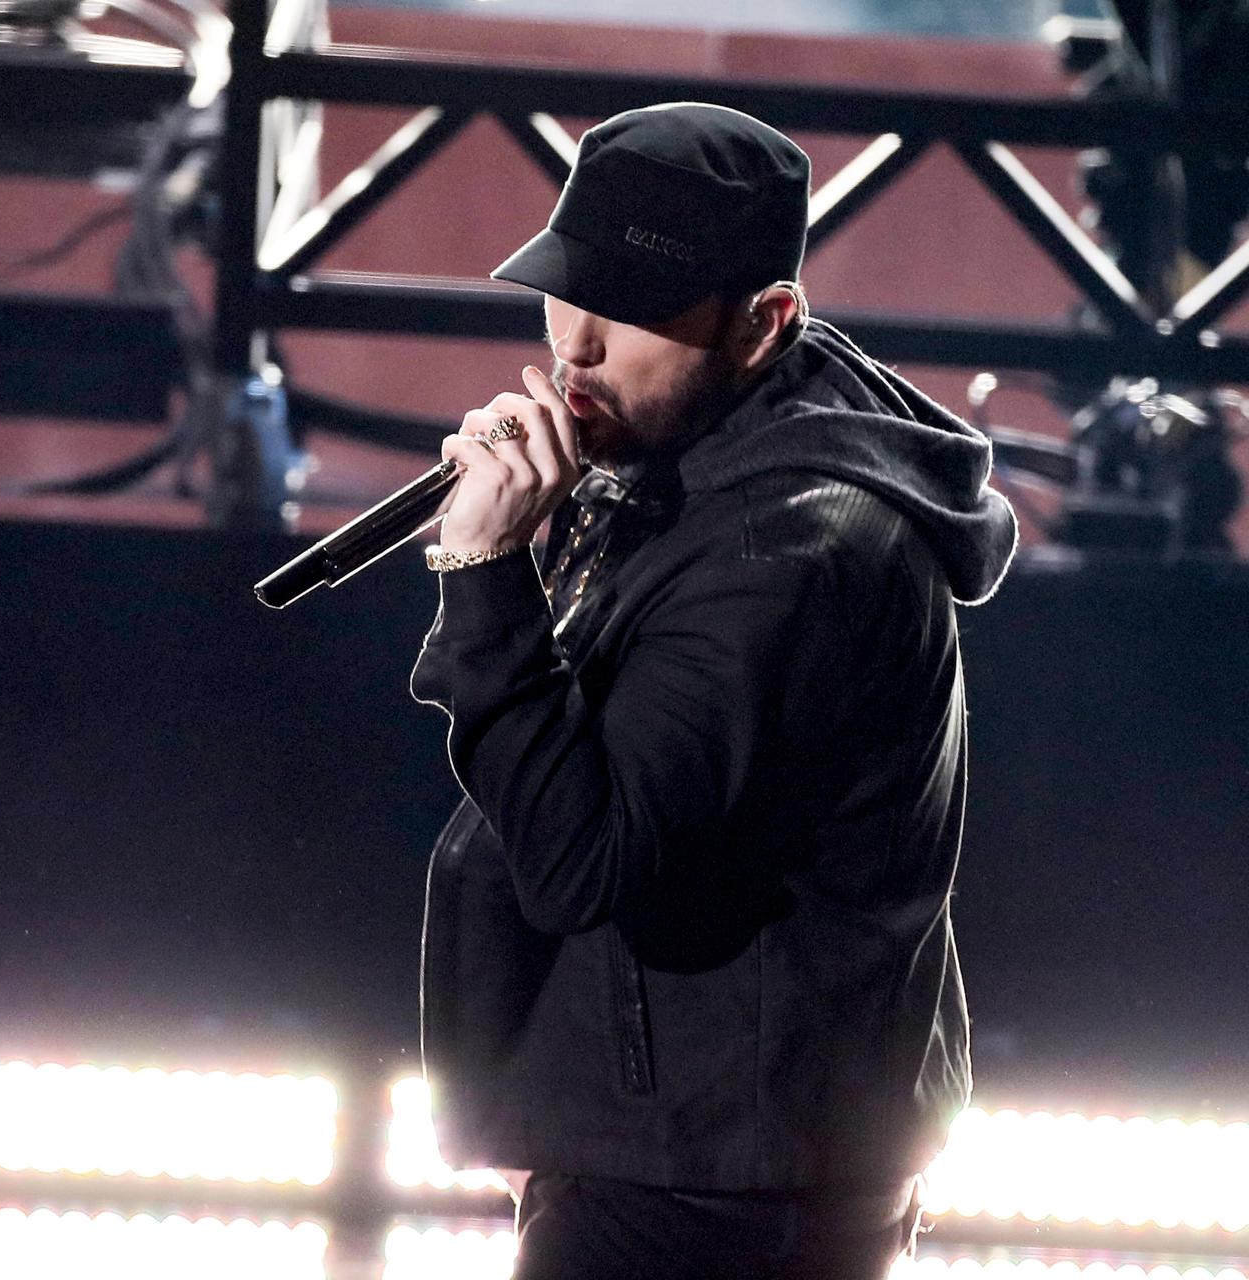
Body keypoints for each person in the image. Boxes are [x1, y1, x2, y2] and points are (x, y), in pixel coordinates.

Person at [408, 102, 1018, 1280]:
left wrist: (486, 576)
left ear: (765, 322)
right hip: (692, 1139)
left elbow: (586, 855)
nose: (574, 345)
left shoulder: (789, 554)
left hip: (716, 1181)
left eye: (629, 312)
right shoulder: (714, 444)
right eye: (564, 290)